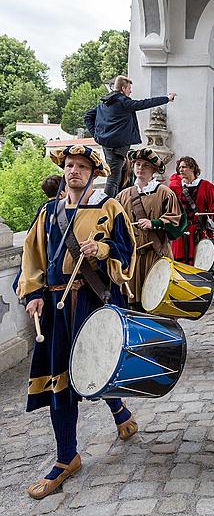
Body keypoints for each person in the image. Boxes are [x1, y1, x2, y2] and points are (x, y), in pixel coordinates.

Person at [14, 145, 137, 499]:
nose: (74, 171)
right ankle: (67, 456)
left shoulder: (108, 207)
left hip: (92, 300)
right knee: (60, 379)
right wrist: (33, 293)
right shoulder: (48, 211)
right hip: (55, 305)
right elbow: (32, 256)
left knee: (96, 368)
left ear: (94, 173)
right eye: (69, 165)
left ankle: (118, 406)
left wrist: (104, 251)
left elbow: (128, 248)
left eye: (82, 166)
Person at [116, 148, 187, 310]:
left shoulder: (164, 193)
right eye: (138, 164)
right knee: (135, 304)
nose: (140, 168)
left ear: (153, 170)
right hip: (133, 258)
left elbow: (179, 220)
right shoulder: (123, 195)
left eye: (146, 165)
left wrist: (154, 223)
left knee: (158, 299)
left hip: (157, 254)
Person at [84, 75, 177, 198]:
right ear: (123, 88)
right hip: (118, 146)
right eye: (129, 88)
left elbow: (87, 116)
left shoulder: (105, 103)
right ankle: (108, 206)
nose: (130, 91)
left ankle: (117, 202)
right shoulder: (123, 102)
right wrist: (167, 98)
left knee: (118, 175)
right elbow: (145, 103)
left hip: (107, 144)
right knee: (113, 179)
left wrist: (97, 135)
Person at [170, 156, 214, 265]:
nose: (181, 170)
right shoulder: (175, 187)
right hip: (180, 234)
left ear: (193, 168)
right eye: (179, 167)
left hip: (199, 232)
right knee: (180, 267)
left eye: (184, 167)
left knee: (201, 264)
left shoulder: (206, 186)